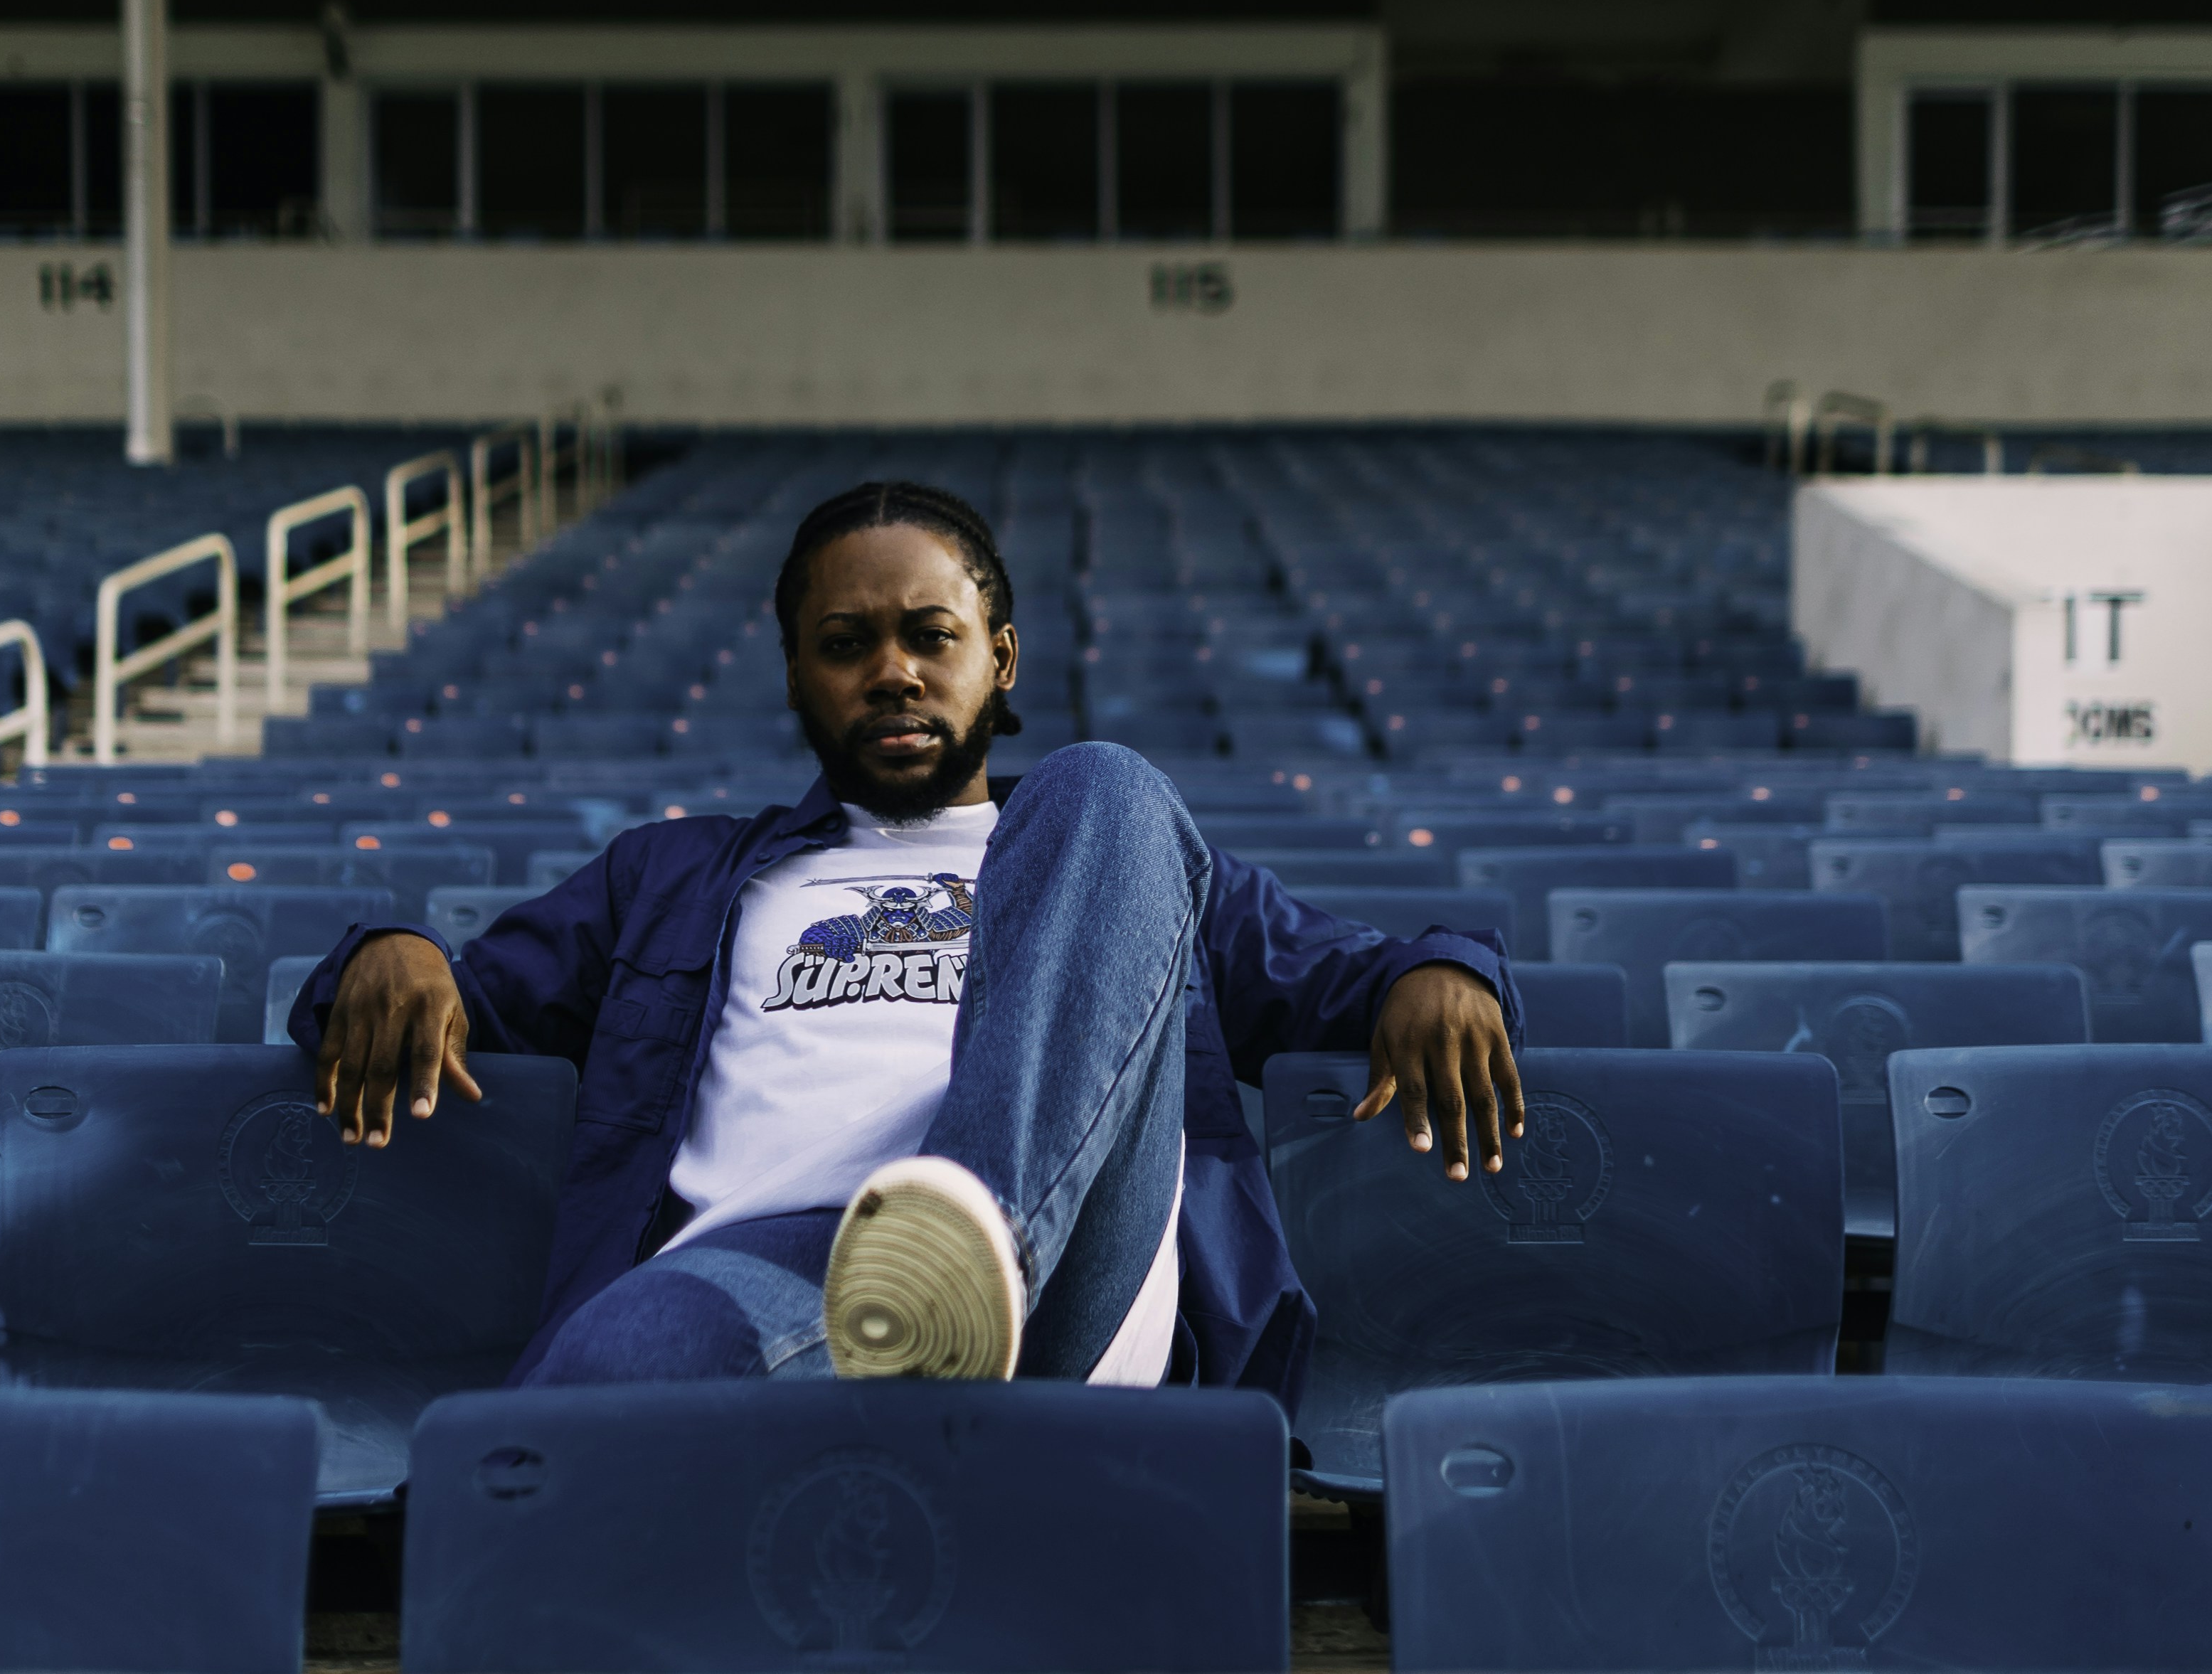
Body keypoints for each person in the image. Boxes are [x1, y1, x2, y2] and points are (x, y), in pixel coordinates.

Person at [292, 480, 1526, 1406]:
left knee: (1105, 782)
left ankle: (976, 1234)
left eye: (930, 637)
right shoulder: (669, 877)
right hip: (768, 1261)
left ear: (996, 661)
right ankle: (926, 1284)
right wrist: (389, 951)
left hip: (1070, 1274)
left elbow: (1348, 976)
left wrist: (1444, 972)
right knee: (609, 1368)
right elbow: (462, 1000)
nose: (891, 671)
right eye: (844, 646)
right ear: (794, 678)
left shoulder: (1113, 859)